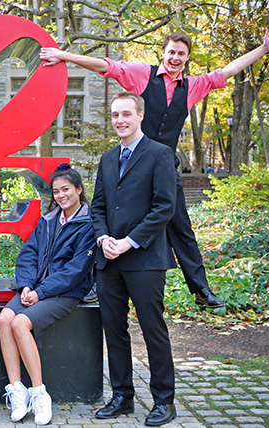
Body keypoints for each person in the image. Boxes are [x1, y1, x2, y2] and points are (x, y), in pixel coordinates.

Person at [40, 26, 269, 309]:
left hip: (166, 166)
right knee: (112, 217)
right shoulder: (142, 75)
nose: (175, 57)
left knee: (181, 227)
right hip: (132, 165)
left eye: (181, 54)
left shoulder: (192, 87)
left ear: (187, 58)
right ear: (163, 52)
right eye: (171, 52)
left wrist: (264, 49)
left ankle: (201, 290)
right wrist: (64, 56)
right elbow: (105, 65)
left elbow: (228, 71)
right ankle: (97, 280)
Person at [90, 92, 177, 426]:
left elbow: (164, 207)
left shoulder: (159, 154)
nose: (120, 120)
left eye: (126, 114)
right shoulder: (108, 159)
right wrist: (102, 238)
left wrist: (129, 241)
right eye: (114, 115)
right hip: (108, 259)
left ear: (140, 115)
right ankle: (122, 396)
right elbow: (98, 206)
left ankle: (163, 401)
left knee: (152, 330)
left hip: (145, 259)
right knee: (114, 330)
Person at [0, 164, 95, 426]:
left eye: (66, 189)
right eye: (56, 191)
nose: (61, 195)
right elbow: (28, 254)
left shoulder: (88, 224)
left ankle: (39, 393)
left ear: (79, 189)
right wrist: (27, 286)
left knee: (20, 323)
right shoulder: (48, 220)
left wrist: (40, 292)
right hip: (37, 288)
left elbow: (75, 271)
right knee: (4, 318)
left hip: (66, 292)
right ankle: (17, 391)